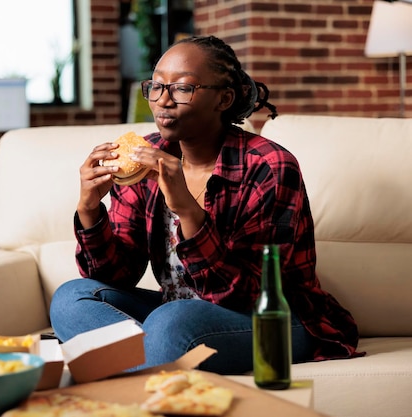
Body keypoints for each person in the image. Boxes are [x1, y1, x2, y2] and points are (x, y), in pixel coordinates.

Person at [49, 35, 362, 374]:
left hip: (275, 318)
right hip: (181, 313)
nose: (163, 101)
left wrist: (186, 209)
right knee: (71, 298)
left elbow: (246, 294)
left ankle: (127, 367)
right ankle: (156, 366)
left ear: (224, 98)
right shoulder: (143, 159)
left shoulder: (269, 166)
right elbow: (117, 277)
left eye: (182, 88)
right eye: (155, 87)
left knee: (171, 323)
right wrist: (90, 210)